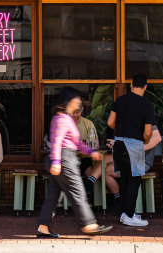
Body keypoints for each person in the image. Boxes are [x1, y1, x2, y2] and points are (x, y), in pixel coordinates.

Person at [37, 87, 113, 238]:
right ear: (69, 102)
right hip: (65, 160)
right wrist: (57, 161)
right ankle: (89, 224)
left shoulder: (65, 118)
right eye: (76, 99)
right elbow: (57, 141)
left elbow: (76, 142)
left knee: (53, 197)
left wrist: (91, 152)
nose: (79, 102)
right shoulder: (62, 119)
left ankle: (43, 227)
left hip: (63, 159)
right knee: (78, 192)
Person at [107, 74, 157, 227]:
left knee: (124, 179)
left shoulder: (119, 101)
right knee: (134, 180)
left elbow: (110, 122)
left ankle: (125, 213)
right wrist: (141, 139)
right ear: (145, 87)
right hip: (134, 144)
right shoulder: (147, 106)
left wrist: (122, 131)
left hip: (119, 143)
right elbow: (148, 132)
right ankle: (129, 215)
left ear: (131, 85)